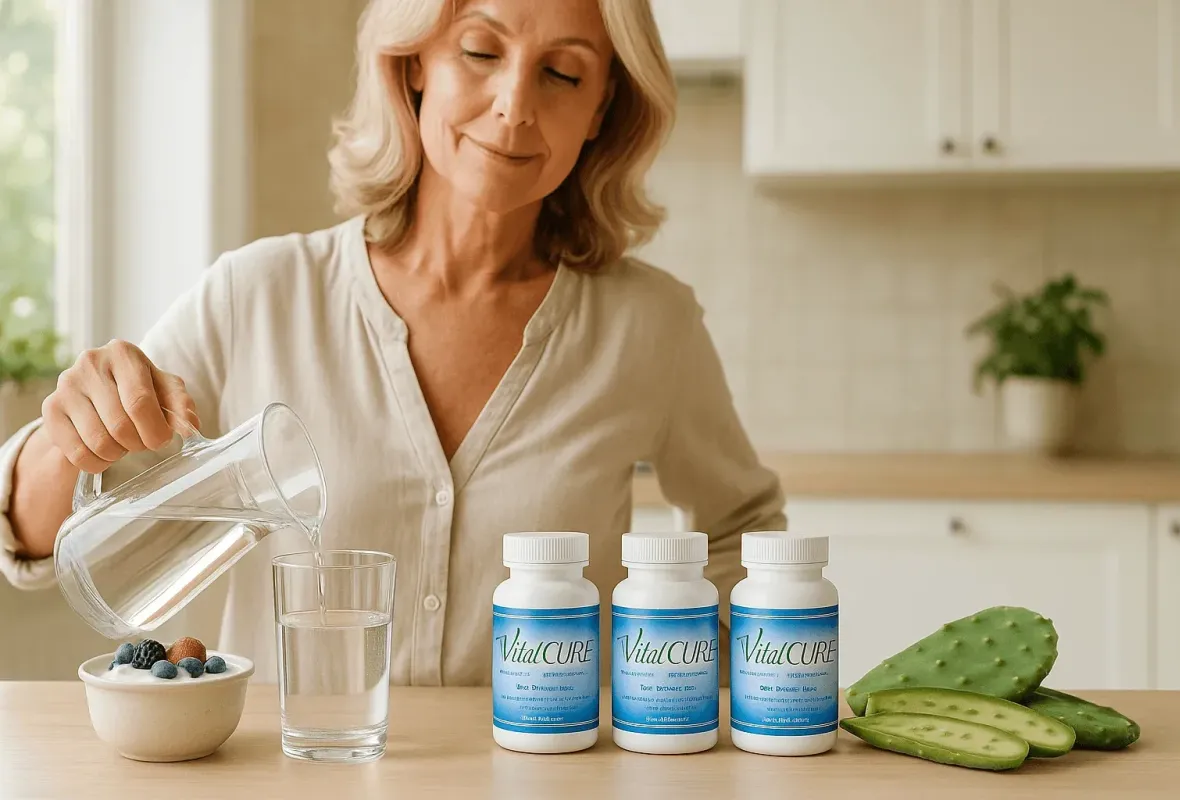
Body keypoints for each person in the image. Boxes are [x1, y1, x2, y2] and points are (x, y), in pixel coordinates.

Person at [0, 0, 785, 685]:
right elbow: (39, 540)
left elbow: (745, 529)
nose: (514, 104)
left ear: (604, 104)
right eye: (480, 52)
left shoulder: (651, 327)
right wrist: (70, 438)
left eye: (565, 75)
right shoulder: (259, 295)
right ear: (414, 65)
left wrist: (667, 675)